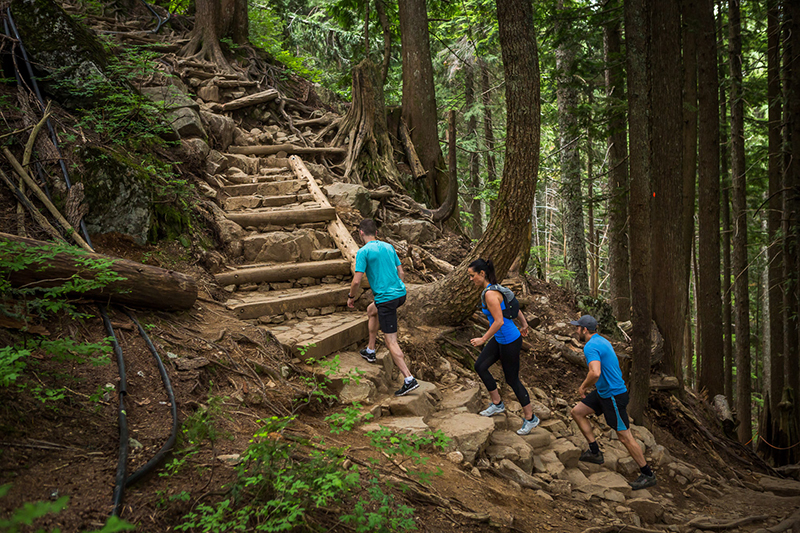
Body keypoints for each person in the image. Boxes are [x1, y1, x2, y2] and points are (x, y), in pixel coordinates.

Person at [569, 314, 657, 490]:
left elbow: (595, 373)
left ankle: (647, 474)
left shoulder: (591, 346)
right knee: (577, 412)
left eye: (578, 327)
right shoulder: (602, 340)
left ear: (584, 330)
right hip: (604, 393)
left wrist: (583, 387)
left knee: (625, 437)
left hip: (613, 396)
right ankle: (595, 452)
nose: (576, 330)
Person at [467, 258, 540, 436]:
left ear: (482, 274)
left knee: (512, 379)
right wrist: (524, 324)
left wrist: (483, 338)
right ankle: (497, 404)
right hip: (501, 339)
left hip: (510, 340)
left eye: (472, 276)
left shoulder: (491, 294)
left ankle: (531, 419)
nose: (471, 279)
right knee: (480, 366)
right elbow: (513, 305)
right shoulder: (495, 288)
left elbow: (499, 321)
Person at [347, 218, 418, 396]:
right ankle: (370, 350)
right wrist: (397, 289)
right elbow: (401, 272)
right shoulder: (388, 247)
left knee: (390, 341)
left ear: (361, 233)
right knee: (372, 310)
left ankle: (408, 379)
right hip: (400, 294)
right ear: (376, 233)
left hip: (386, 299)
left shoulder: (363, 252)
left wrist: (351, 297)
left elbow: (356, 280)